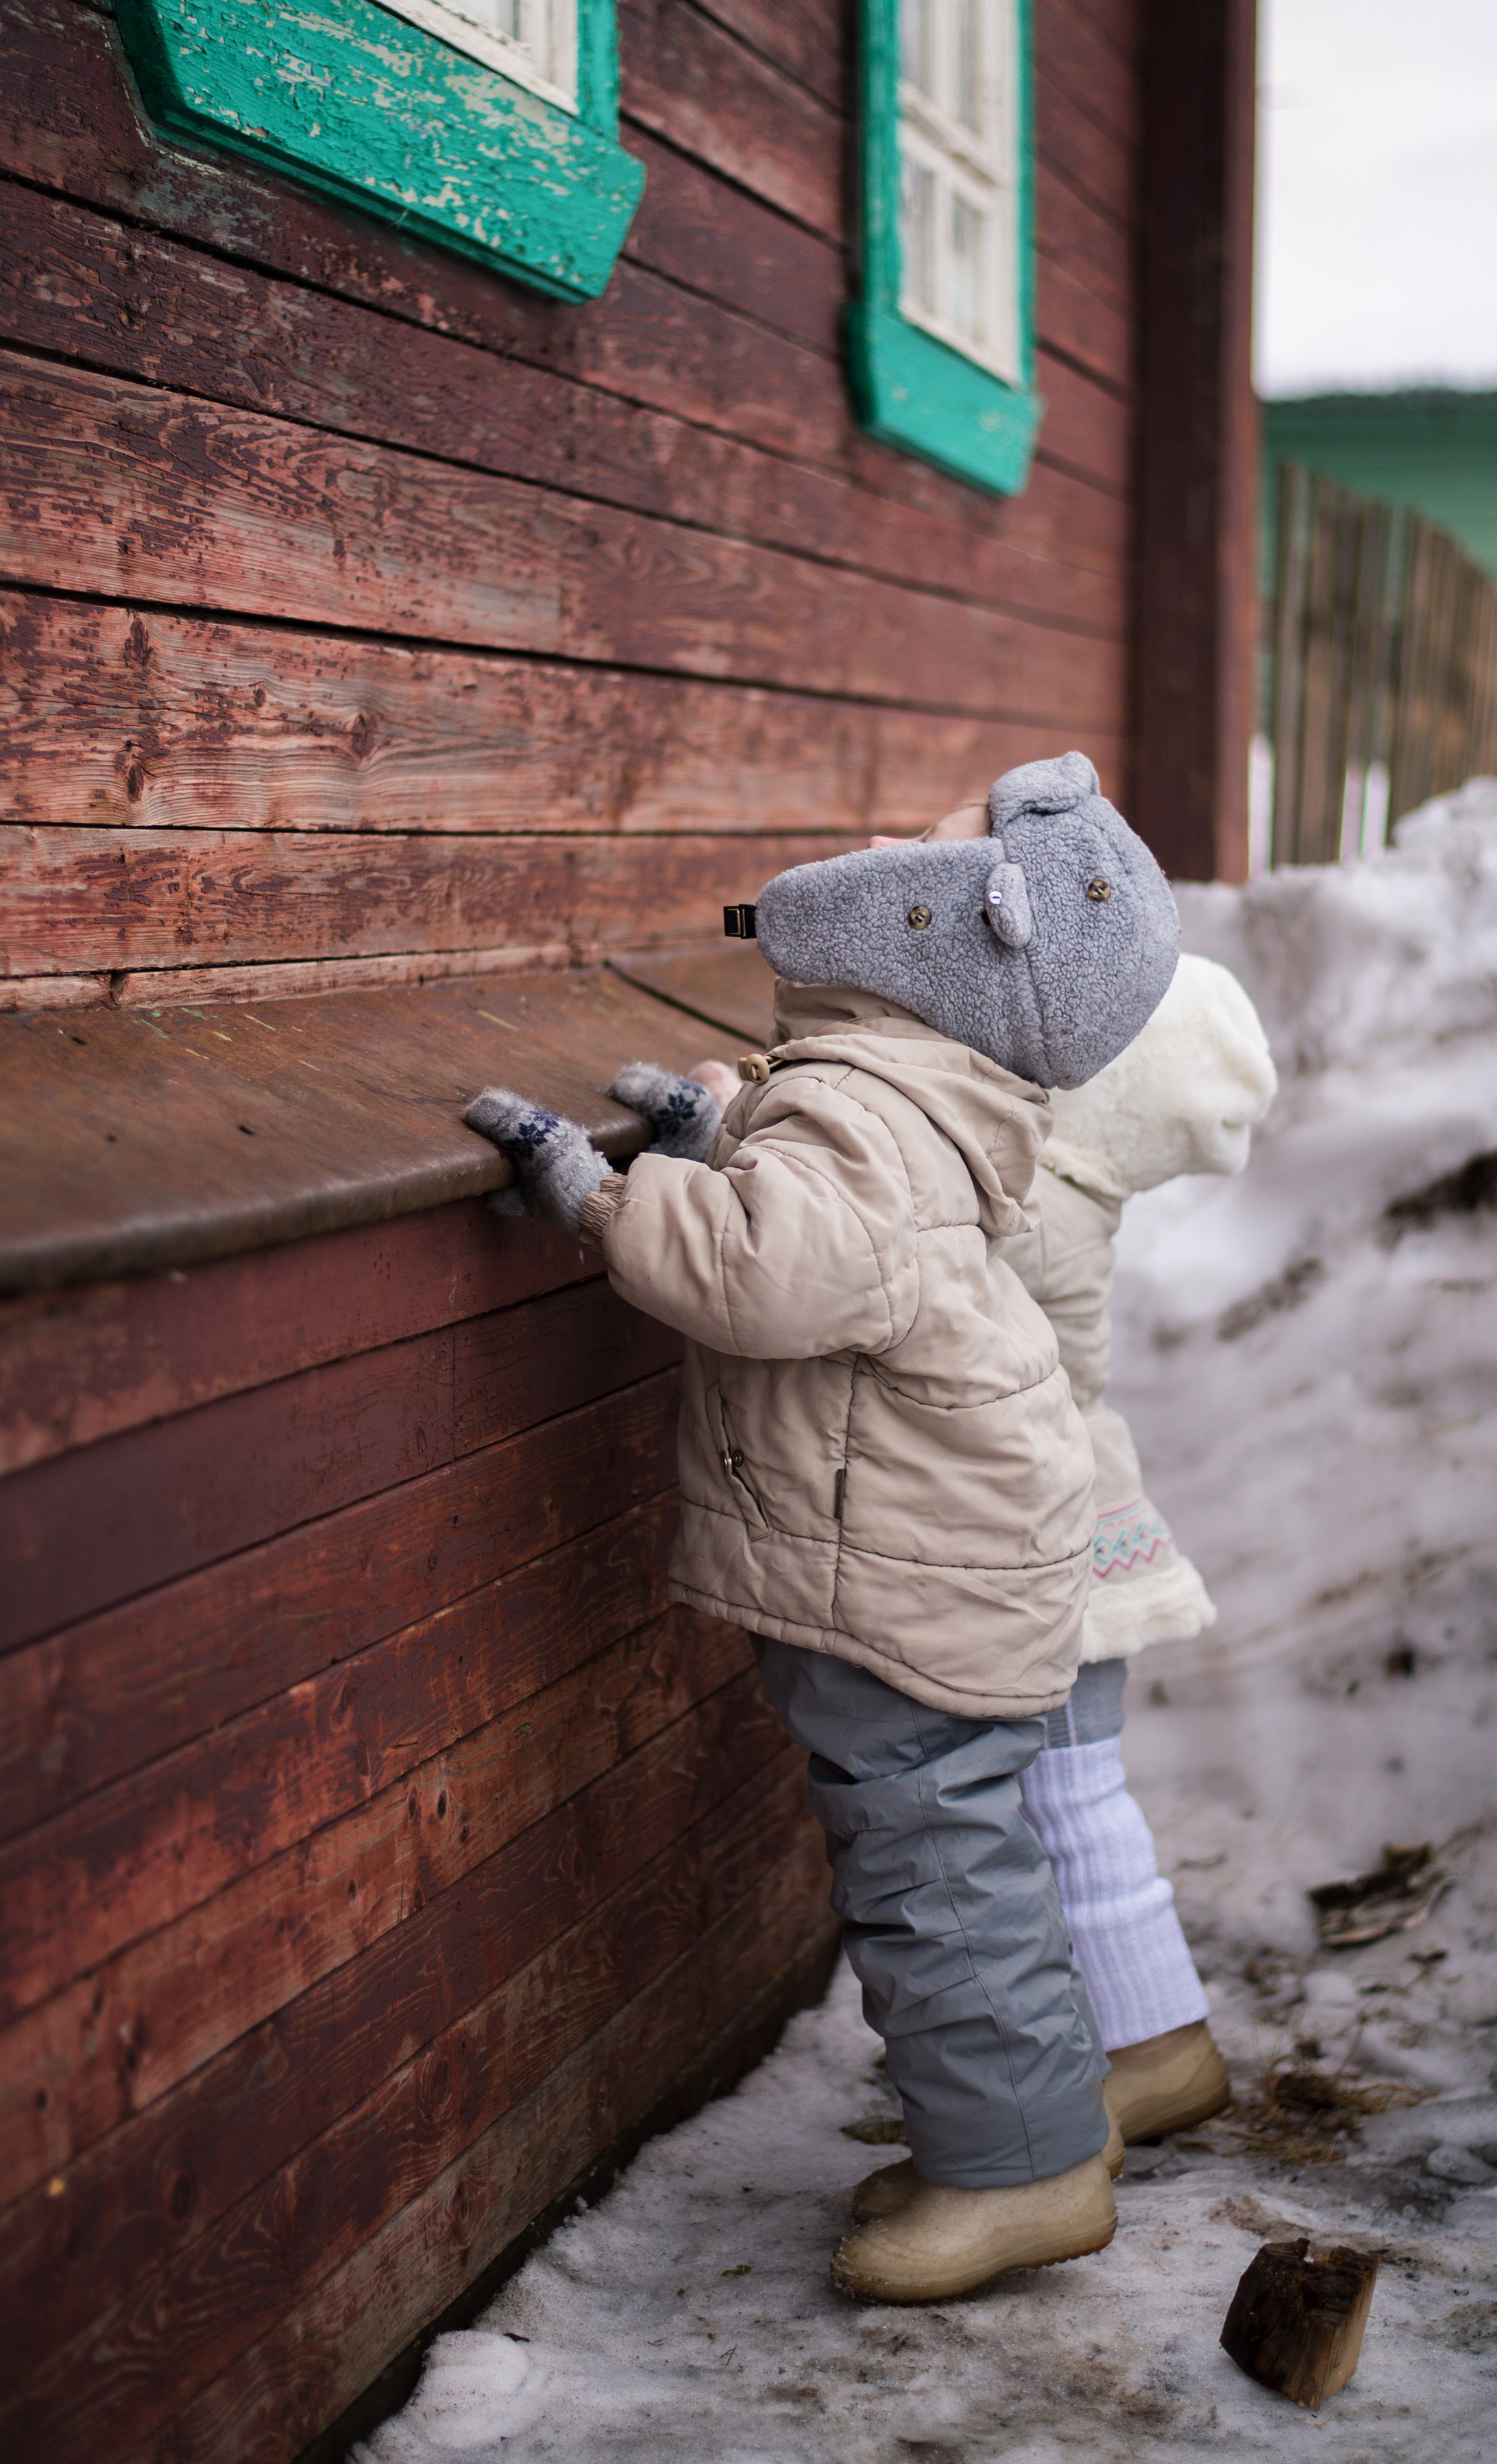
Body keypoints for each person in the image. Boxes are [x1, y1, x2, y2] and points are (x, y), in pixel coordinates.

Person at [463, 753, 1179, 2305]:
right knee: (958, 1849)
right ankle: (1029, 2137)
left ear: (954, 929)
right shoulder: (903, 1088)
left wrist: (596, 1197)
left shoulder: (874, 1100)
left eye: (914, 844)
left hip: (913, 1560)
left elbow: (771, 1275)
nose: (876, 845)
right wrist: (713, 1153)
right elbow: (824, 1232)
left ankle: (1021, 2172)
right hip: (940, 1529)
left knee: (932, 1862)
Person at [847, 949, 1277, 2234]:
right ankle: (1154, 2042)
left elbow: (892, 1262)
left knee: (1043, 1806)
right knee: (1075, 1804)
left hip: (1046, 1549)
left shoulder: (1036, 1205)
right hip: (1080, 1535)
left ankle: (1133, 2059)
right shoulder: (1067, 1191)